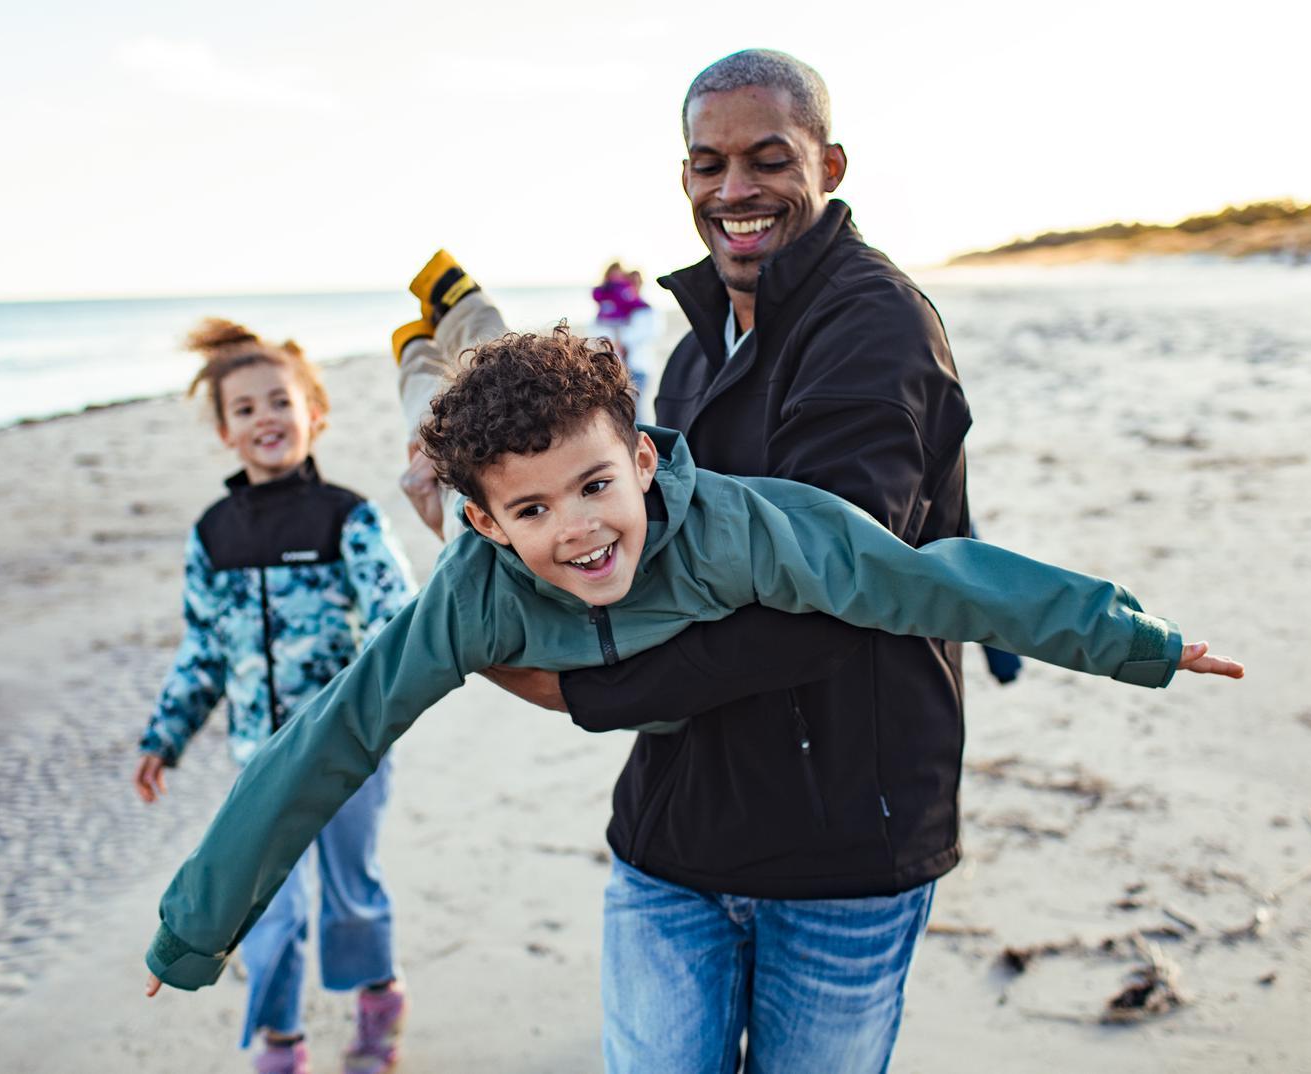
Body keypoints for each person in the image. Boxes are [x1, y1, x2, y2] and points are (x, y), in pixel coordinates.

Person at [140, 310, 1244, 1004]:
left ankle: (462, 319)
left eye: (596, 485)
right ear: (493, 526)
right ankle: (433, 343)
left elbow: (927, 581)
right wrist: (194, 930)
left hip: (681, 675)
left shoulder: (740, 530)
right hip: (494, 561)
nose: (581, 529)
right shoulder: (470, 586)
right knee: (431, 434)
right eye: (532, 509)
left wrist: (1129, 639)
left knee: (491, 407)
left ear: (644, 459)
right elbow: (326, 740)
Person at [459, 48, 1049, 1072]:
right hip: (676, 829)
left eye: (767, 159)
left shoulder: (875, 327)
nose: (733, 189)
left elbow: (837, 593)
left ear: (829, 164)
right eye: (707, 164)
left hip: (841, 844)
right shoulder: (696, 347)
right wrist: (487, 529)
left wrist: (591, 690)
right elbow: (641, 557)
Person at [133, 318, 414, 1074]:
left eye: (280, 402)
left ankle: (378, 1004)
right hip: (258, 759)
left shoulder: (347, 516)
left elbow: (398, 617)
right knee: (269, 909)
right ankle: (281, 1042)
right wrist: (164, 736)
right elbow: (203, 649)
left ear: (314, 414)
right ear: (226, 432)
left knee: (351, 893)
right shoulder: (212, 534)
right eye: (246, 408)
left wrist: (378, 707)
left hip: (347, 751)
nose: (266, 418)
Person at [590, 262, 658, 416]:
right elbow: (598, 331)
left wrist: (621, 337)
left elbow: (648, 333)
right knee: (620, 410)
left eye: (636, 282)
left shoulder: (646, 309)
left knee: (635, 410)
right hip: (617, 366)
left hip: (639, 366)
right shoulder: (616, 307)